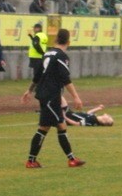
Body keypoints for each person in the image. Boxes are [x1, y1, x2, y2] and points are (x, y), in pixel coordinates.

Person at [25, 28, 86, 169]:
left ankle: (34, 160)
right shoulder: (61, 56)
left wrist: (29, 90)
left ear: (56, 39)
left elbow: (37, 75)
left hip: (46, 95)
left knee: (52, 126)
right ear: (68, 42)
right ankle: (68, 160)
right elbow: (66, 79)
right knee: (53, 126)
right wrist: (76, 97)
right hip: (50, 96)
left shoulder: (47, 53)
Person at [22, 23, 48, 97]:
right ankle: (39, 86)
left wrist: (42, 52)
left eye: (35, 28)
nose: (34, 29)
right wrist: (31, 37)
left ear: (38, 28)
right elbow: (37, 43)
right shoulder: (43, 35)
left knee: (37, 74)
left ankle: (38, 87)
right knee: (39, 73)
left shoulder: (37, 36)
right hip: (40, 57)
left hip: (36, 57)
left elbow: (36, 45)